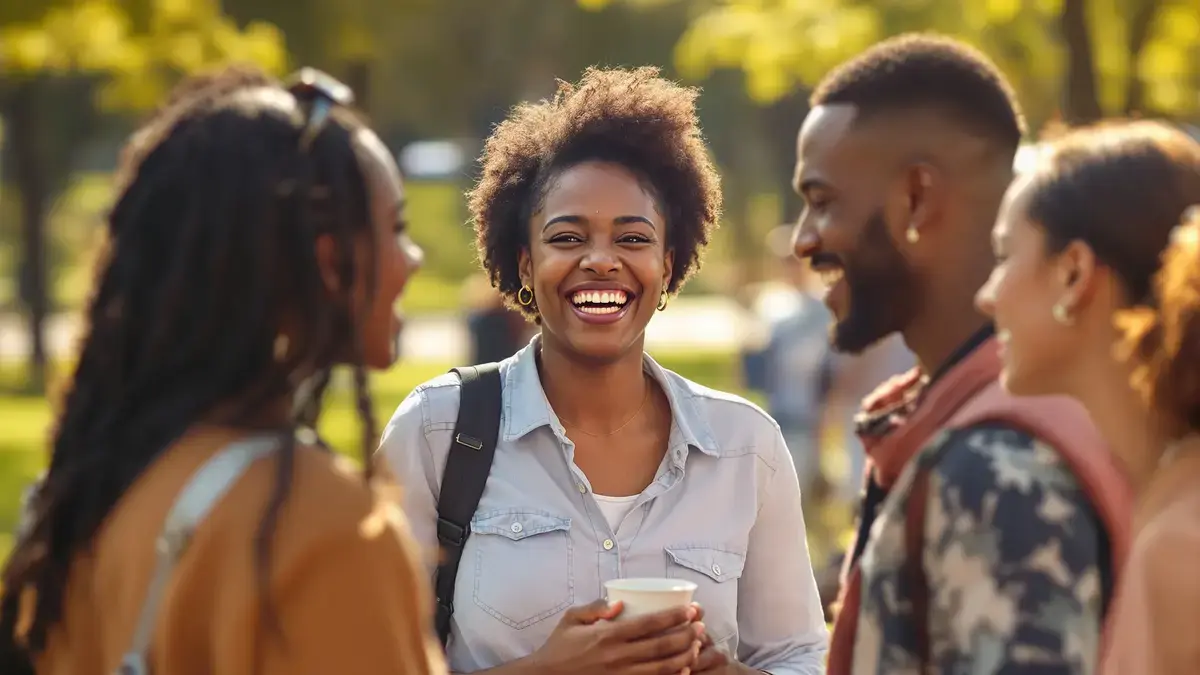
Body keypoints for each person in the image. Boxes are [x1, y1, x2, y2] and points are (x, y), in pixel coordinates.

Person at [380, 66, 828, 675]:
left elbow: (799, 653)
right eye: (567, 238)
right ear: (524, 263)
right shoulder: (438, 432)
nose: (600, 260)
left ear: (667, 266)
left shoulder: (747, 449)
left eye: (633, 239)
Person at [0, 66, 444, 675]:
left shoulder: (93, 500)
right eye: (395, 228)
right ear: (329, 263)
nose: (413, 259)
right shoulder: (320, 527)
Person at [790, 34, 1130, 674]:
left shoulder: (995, 464)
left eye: (821, 200)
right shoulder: (970, 414)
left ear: (915, 199)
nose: (804, 241)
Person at [974, 121, 1200, 674]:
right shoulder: (1163, 500)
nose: (986, 296)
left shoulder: (1181, 546)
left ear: (1074, 273)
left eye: (1005, 256)